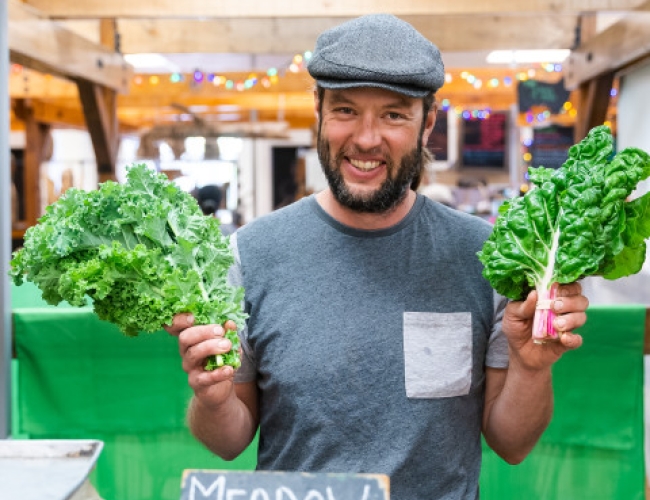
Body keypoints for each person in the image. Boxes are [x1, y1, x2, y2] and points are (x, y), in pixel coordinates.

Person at [167, 14, 588, 500]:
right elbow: (226, 442)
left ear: (427, 122)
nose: (366, 139)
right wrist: (213, 398)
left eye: (393, 115)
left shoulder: (488, 256)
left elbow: (511, 443)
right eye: (345, 110)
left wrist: (532, 368)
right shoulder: (251, 253)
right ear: (319, 111)